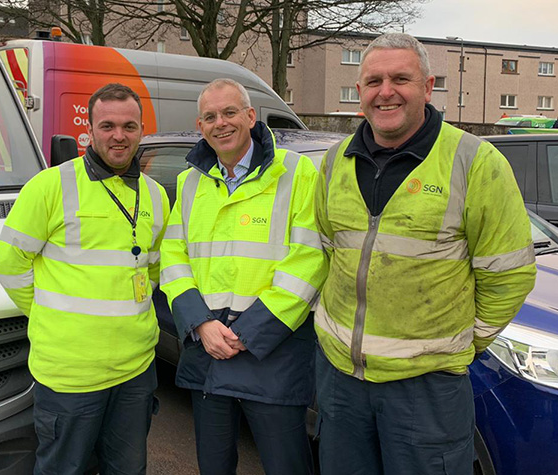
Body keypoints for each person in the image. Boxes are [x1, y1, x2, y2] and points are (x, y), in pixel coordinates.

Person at [313, 33, 537, 475]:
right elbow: (324, 250)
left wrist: (461, 343)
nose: (386, 91)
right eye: (373, 80)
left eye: (401, 78)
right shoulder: (335, 159)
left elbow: (509, 274)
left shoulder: (476, 161)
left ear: (428, 87)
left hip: (426, 387)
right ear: (359, 93)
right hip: (340, 380)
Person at [0, 83, 169, 475]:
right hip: (70, 374)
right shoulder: (50, 185)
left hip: (135, 371)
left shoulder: (156, 195)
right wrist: (48, 314)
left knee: (127, 469)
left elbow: (152, 269)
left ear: (142, 130)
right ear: (89, 130)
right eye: (107, 126)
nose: (118, 136)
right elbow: (8, 263)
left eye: (129, 126)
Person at [160, 78, 328, 475]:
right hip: (209, 350)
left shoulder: (296, 171)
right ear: (200, 126)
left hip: (271, 352)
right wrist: (201, 324)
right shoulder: (189, 181)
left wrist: (246, 332)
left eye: (230, 112)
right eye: (210, 116)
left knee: (286, 466)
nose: (221, 123)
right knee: (214, 466)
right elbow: (172, 256)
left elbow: (310, 259)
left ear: (251, 116)